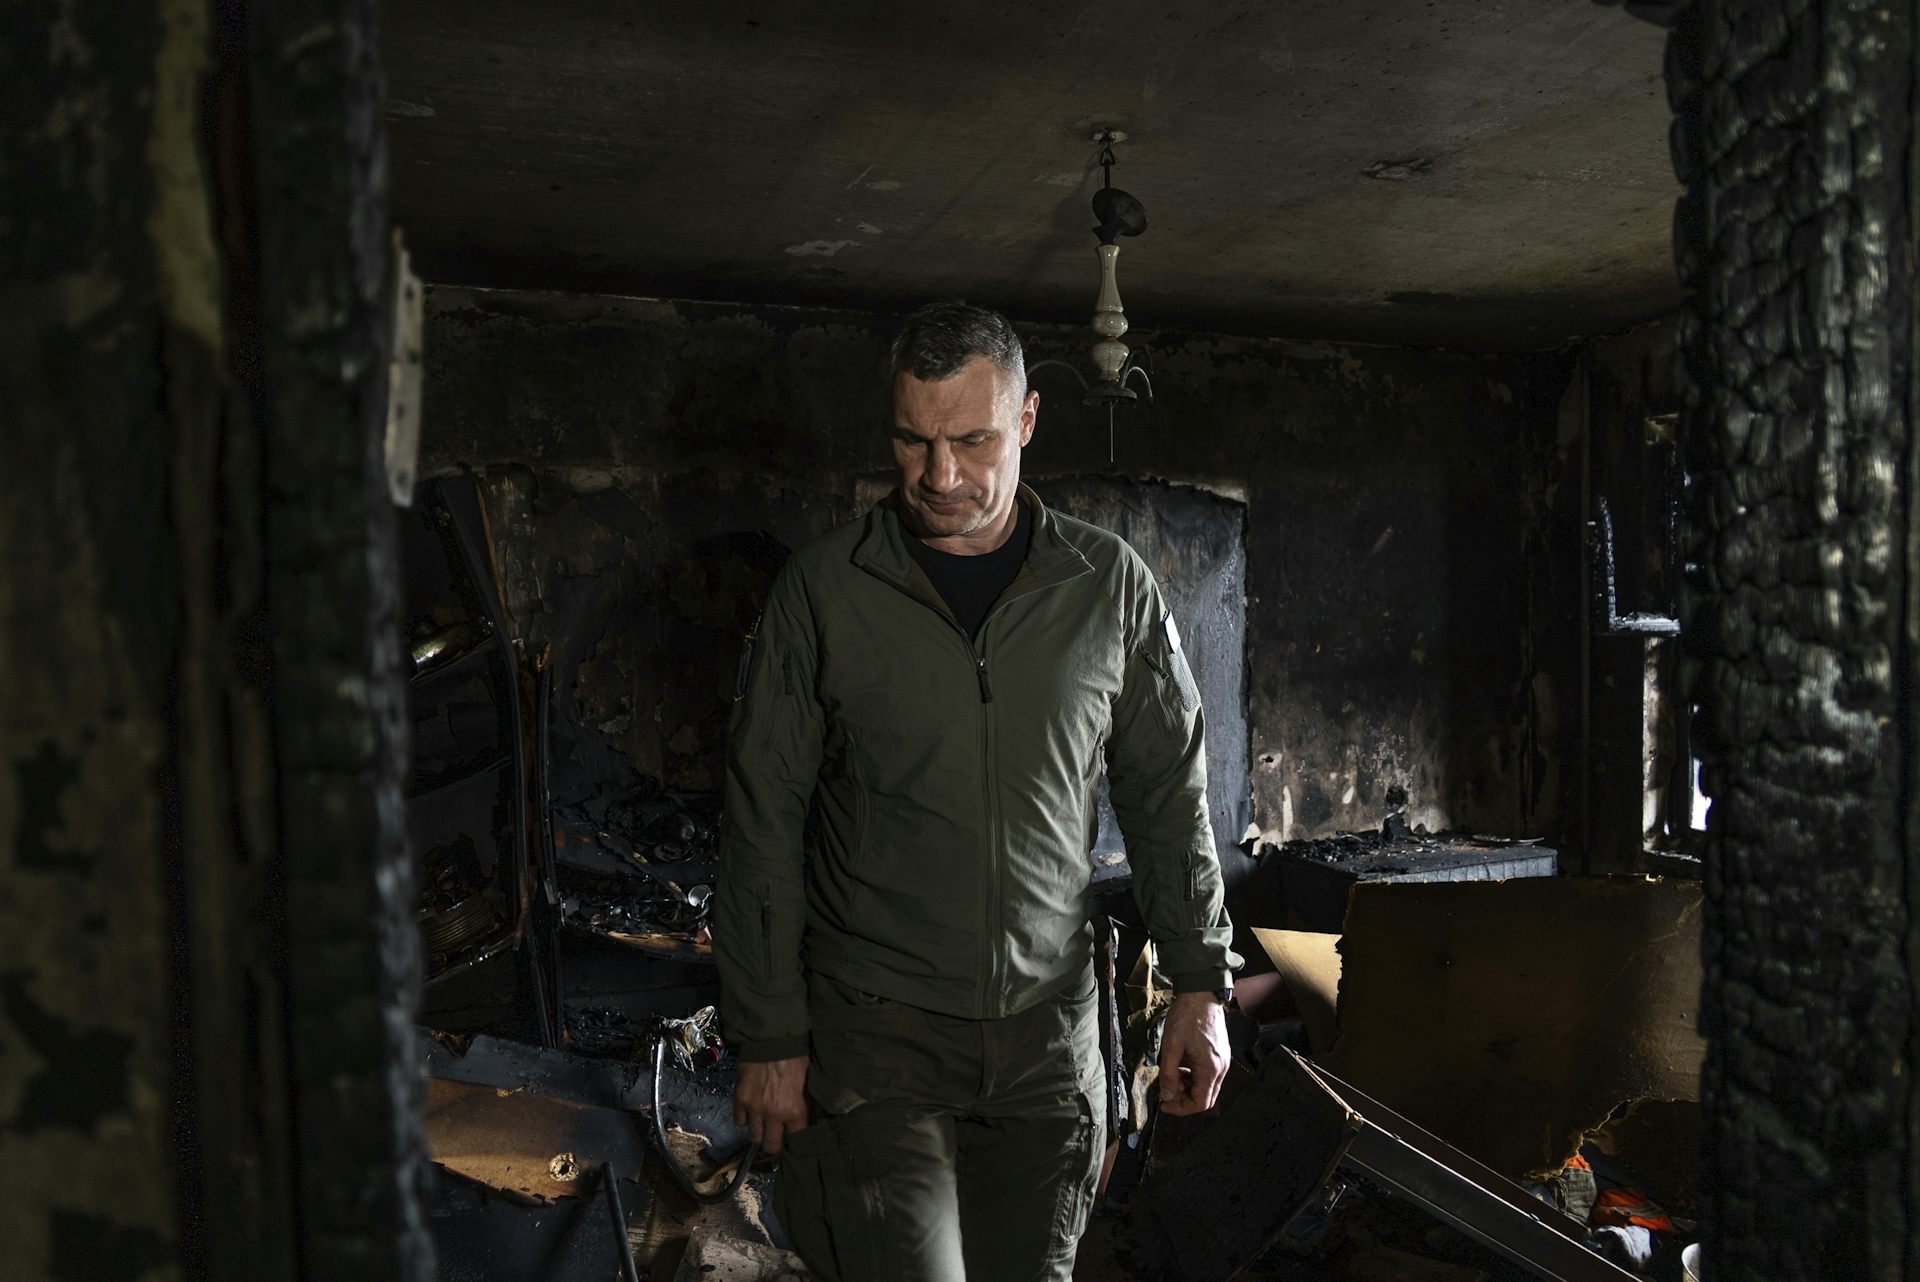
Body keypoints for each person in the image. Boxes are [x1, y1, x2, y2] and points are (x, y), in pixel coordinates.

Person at [713, 301, 1240, 1282]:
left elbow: (1169, 798)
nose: (940, 475)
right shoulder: (825, 594)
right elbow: (762, 823)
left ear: (1029, 421)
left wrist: (1201, 985)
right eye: (912, 441)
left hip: (1046, 1049)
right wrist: (770, 1033)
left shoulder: (1107, 587)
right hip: (879, 1044)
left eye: (971, 440)